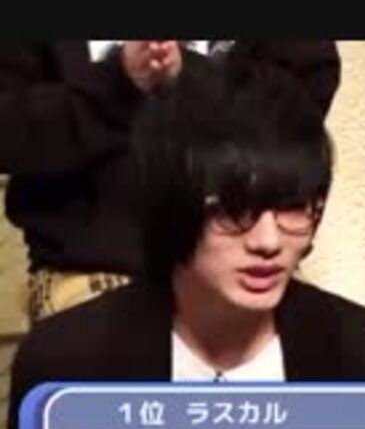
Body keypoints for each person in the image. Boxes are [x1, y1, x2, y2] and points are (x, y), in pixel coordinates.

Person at [7, 64, 365, 429]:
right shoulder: (70, 368)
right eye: (233, 212)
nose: (268, 241)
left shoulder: (360, 356)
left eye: (292, 208)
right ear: (172, 209)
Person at [0, 40, 340, 321]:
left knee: (330, 351)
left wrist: (189, 77)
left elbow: (301, 106)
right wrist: (120, 83)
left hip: (243, 256)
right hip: (91, 267)